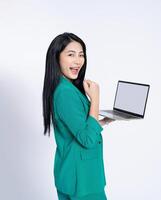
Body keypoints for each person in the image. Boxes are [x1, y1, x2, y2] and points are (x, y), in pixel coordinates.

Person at [42, 32, 115, 200]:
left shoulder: (64, 87)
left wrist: (100, 121)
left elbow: (75, 128)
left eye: (81, 55)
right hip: (83, 179)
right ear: (56, 57)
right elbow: (87, 139)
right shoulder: (65, 92)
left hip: (72, 173)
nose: (78, 61)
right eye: (71, 54)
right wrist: (95, 98)